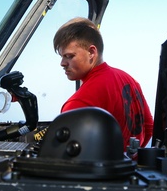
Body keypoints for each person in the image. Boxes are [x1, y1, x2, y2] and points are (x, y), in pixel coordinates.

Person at [53, 18, 154, 151]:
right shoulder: (129, 80)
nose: (62, 63)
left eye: (69, 56)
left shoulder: (80, 101)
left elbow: (65, 153)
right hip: (130, 168)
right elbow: (148, 127)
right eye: (62, 56)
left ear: (91, 52)